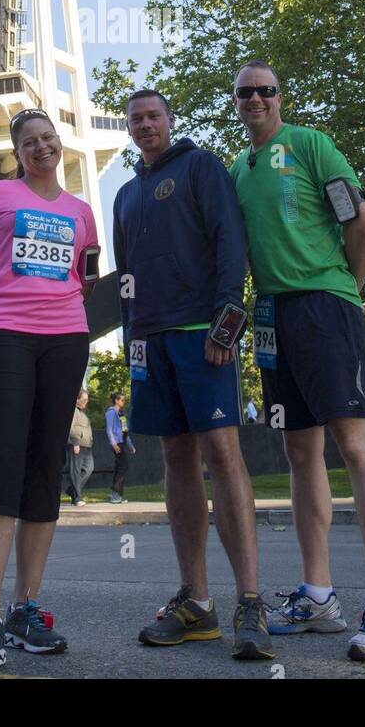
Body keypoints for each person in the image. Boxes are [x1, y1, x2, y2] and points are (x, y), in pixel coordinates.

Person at [230, 60, 365, 662]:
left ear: (280, 97)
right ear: (235, 102)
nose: (255, 99)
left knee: (356, 446)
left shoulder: (309, 144)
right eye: (245, 92)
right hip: (271, 318)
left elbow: (362, 226)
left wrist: (347, 291)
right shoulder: (238, 168)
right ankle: (317, 596)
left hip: (324, 305)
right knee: (299, 450)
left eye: (265, 91)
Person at [113, 88, 275, 660]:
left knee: (222, 454)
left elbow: (232, 241)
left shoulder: (201, 166)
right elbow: (125, 277)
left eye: (154, 116)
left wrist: (228, 320)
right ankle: (198, 603)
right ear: (129, 129)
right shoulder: (127, 194)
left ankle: (250, 602)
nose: (145, 125)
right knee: (176, 460)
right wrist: (131, 343)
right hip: (149, 344)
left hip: (202, 335)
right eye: (136, 119)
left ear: (169, 121)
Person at [0, 108, 99, 676]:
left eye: (48, 138)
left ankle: (24, 608)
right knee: (0, 460)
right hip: (0, 338)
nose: (41, 147)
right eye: (29, 141)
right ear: (18, 151)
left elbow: (86, 276)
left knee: (43, 466)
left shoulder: (82, 212)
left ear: (60, 146)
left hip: (64, 340)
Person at [104, 392, 135, 503]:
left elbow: (125, 431)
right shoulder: (111, 413)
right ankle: (114, 492)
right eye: (122, 400)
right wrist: (114, 444)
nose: (123, 402)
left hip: (122, 443)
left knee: (120, 468)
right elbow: (109, 430)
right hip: (116, 444)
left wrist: (130, 445)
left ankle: (117, 495)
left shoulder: (121, 414)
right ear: (116, 400)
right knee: (124, 466)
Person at [65, 389, 94, 507]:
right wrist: (75, 443)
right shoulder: (72, 411)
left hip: (87, 446)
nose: (86, 402)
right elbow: (70, 428)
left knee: (89, 469)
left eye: (87, 400)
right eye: (84, 399)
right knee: (75, 471)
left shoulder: (83, 413)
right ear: (77, 400)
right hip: (77, 445)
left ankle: (72, 490)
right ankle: (77, 498)